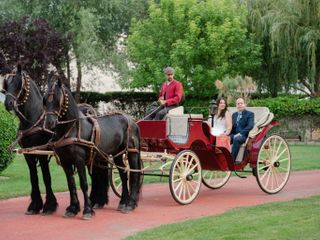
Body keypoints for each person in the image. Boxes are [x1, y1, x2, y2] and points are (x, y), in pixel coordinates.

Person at [230, 97, 254, 162]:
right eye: (238, 104)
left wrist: (240, 133)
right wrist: (227, 134)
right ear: (236, 105)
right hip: (234, 134)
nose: (240, 105)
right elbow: (232, 127)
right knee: (224, 138)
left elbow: (250, 126)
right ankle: (224, 158)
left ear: (244, 104)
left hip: (244, 135)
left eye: (241, 103)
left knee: (236, 139)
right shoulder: (234, 115)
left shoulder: (250, 114)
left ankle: (231, 161)